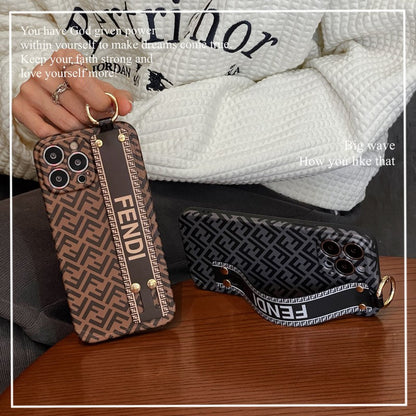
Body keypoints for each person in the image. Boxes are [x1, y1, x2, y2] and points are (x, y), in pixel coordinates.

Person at [1, 0, 415, 394]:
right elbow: (16, 23)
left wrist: (124, 135)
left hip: (272, 182)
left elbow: (373, 71)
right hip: (69, 162)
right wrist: (28, 82)